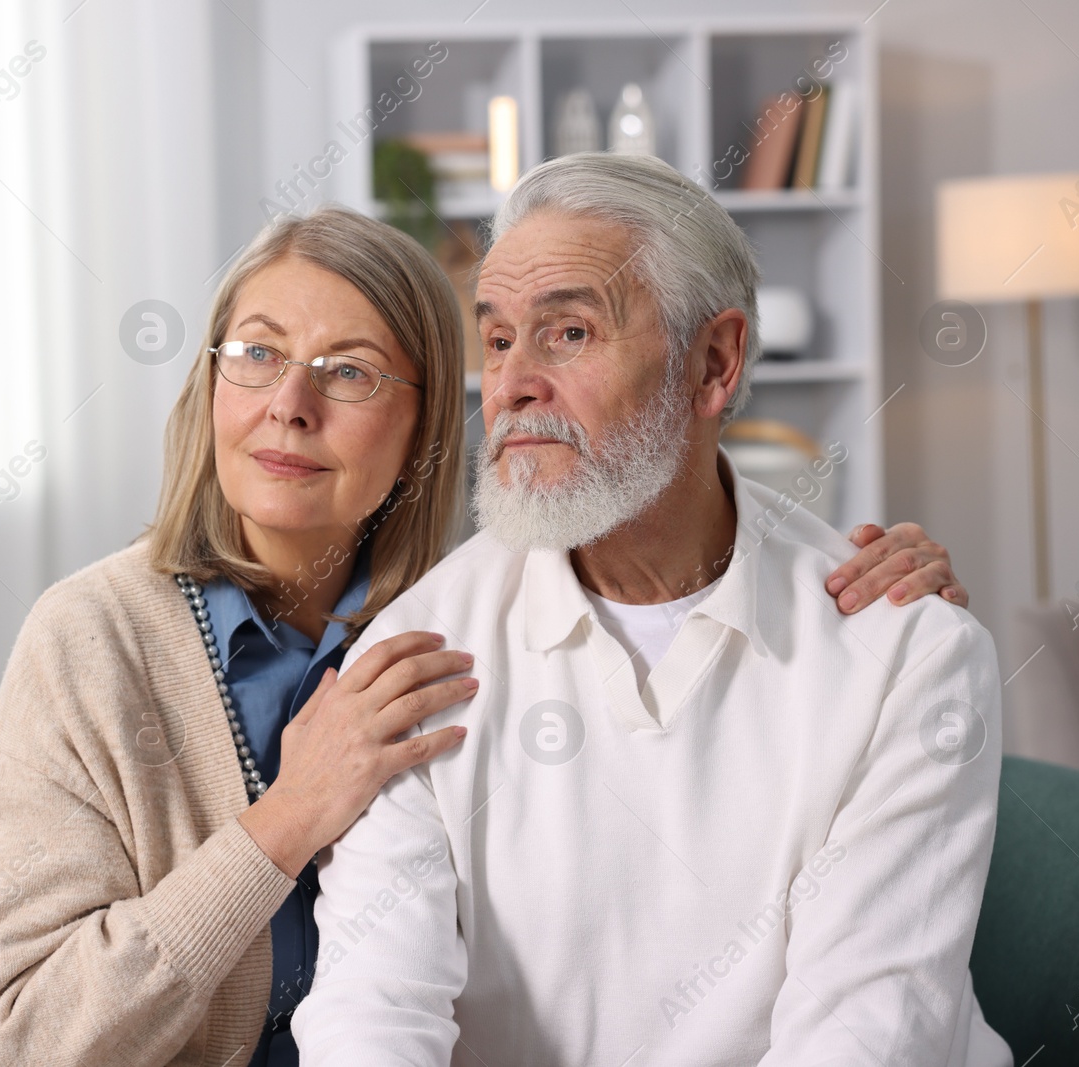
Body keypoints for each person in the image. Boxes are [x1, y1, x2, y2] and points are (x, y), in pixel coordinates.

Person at [0, 202, 973, 1067]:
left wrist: (881, 607)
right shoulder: (91, 640)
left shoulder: (452, 621)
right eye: (254, 354)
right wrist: (287, 817)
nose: (288, 405)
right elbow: (5, 1036)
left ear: (428, 424)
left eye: (348, 371)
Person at [290, 154, 1010, 1066]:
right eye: (501, 338)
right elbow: (371, 1018)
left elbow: (868, 1035)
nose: (510, 385)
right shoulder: (410, 661)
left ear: (714, 363)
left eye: (570, 333)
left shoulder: (907, 648)